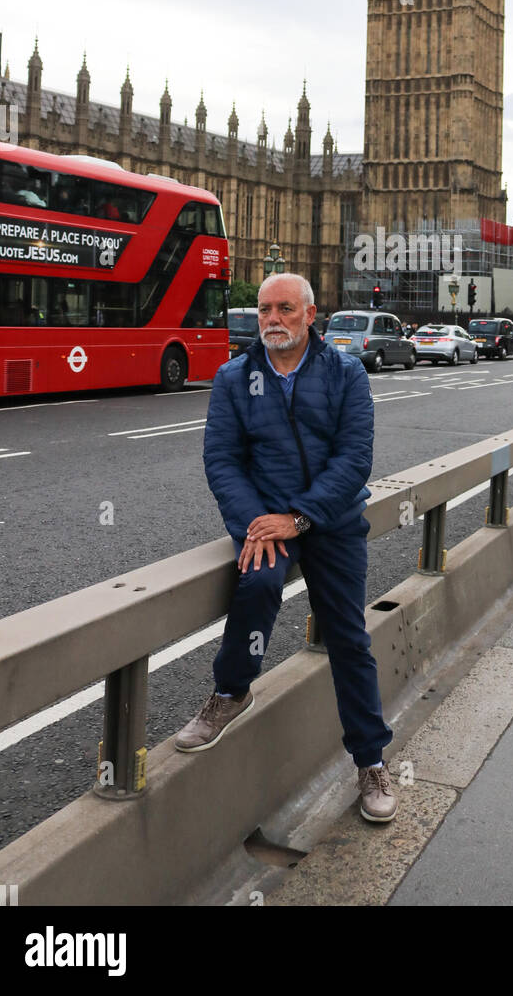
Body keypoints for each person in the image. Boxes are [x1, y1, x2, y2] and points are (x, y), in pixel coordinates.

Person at [175, 272, 397, 824]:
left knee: (347, 636)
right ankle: (231, 691)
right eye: (265, 309)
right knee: (257, 583)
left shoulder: (345, 373)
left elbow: (354, 460)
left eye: (285, 309)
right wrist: (256, 521)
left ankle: (370, 760)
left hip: (329, 521)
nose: (272, 319)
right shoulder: (234, 377)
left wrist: (300, 518)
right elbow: (222, 461)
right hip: (267, 518)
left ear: (310, 314)